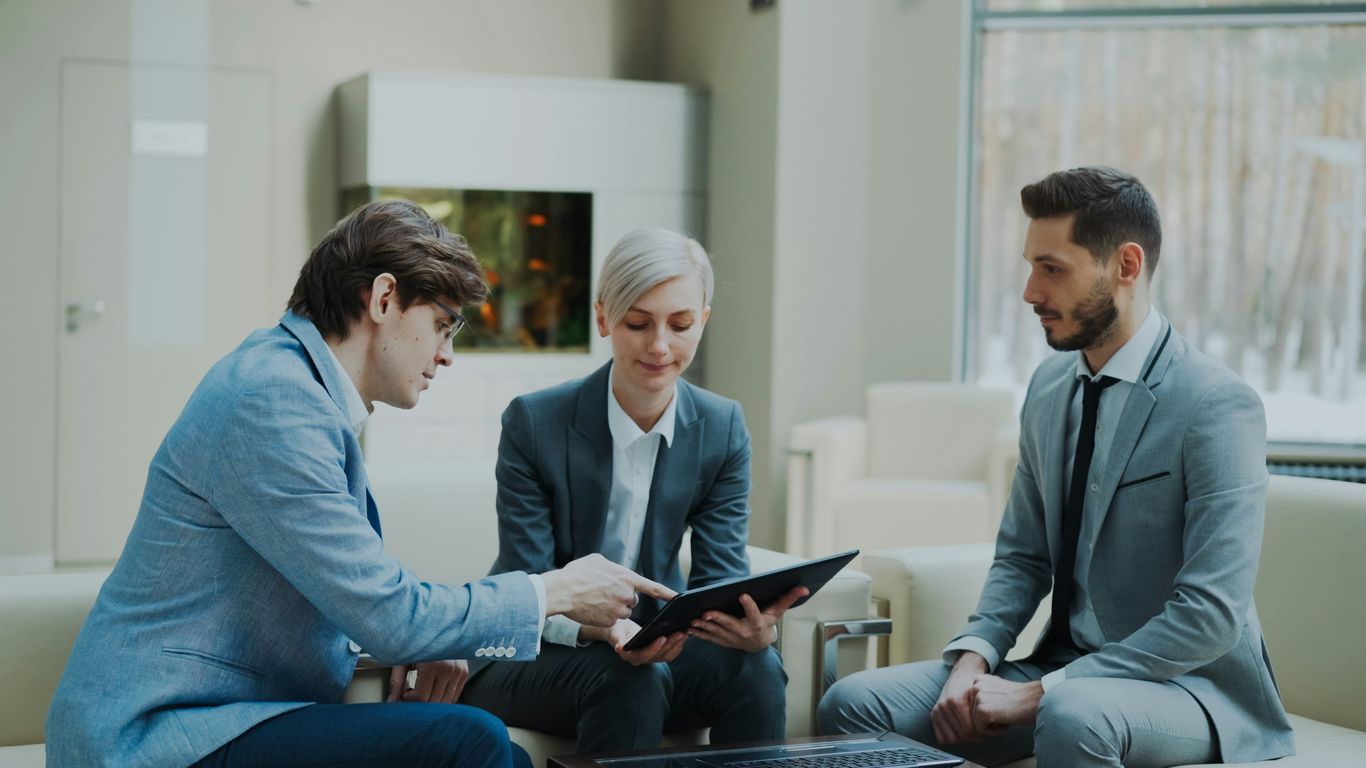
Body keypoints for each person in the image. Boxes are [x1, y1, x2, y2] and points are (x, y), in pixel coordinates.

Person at [45, 200, 673, 768]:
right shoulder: (272, 401)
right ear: (382, 299)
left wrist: (417, 637)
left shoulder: (293, 386)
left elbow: (347, 591)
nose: (447, 354)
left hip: (217, 717)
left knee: (497, 752)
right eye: (443, 323)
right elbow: (388, 611)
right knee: (469, 741)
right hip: (156, 737)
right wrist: (553, 590)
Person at [819, 167, 1294, 767]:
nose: (1030, 293)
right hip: (1062, 670)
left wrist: (1041, 692)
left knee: (1073, 714)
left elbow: (1212, 614)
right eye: (1030, 266)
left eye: (1053, 269)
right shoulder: (1048, 389)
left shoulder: (1215, 405)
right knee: (854, 702)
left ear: (1126, 265)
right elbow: (1023, 558)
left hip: (1192, 689)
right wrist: (974, 658)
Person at [460, 228, 805, 753]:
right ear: (603, 318)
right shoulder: (535, 422)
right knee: (631, 679)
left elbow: (719, 577)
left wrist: (748, 627)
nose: (660, 346)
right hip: (536, 647)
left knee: (756, 668)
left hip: (656, 641)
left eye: (681, 324)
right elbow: (530, 576)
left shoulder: (722, 428)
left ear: (703, 321)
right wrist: (606, 631)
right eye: (638, 323)